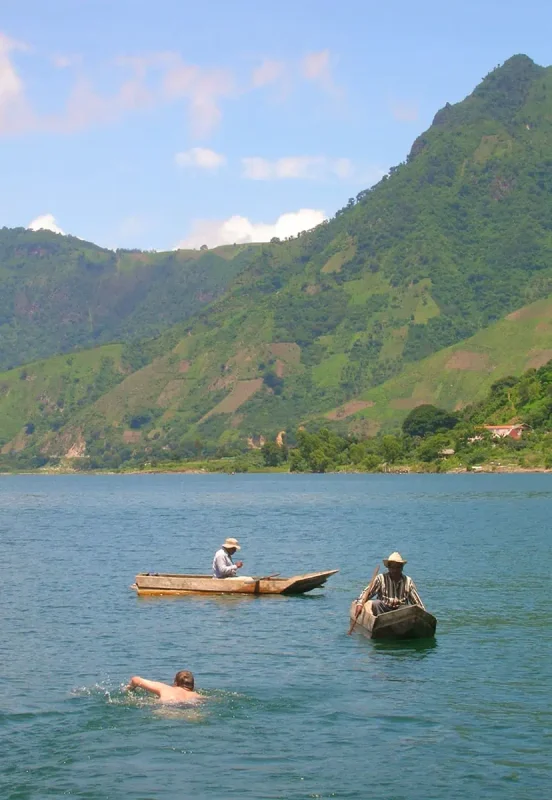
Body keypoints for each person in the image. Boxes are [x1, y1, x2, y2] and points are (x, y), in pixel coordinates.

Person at [356, 552, 425, 616]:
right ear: (388, 568)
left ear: (402, 568)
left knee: (408, 608)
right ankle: (381, 625)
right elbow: (368, 592)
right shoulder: (381, 578)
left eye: (398, 567)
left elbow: (416, 601)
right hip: (384, 610)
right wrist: (360, 604)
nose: (395, 570)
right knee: (376, 604)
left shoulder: (408, 581)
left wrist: (423, 613)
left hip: (400, 611)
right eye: (392, 567)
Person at [126, 670, 202, 704]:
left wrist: (129, 689)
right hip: (190, 707)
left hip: (167, 708)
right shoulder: (198, 696)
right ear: (193, 685)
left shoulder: (165, 688)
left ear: (175, 683)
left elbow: (135, 680)